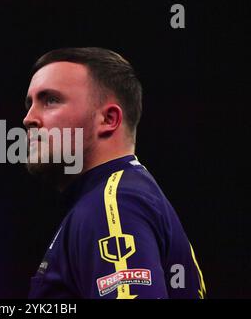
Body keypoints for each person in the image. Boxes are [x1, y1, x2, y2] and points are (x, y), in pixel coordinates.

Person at [23, 47, 206, 299]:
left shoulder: (114, 203)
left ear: (109, 119)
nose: (28, 118)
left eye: (50, 100)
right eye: (29, 103)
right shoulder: (119, 197)